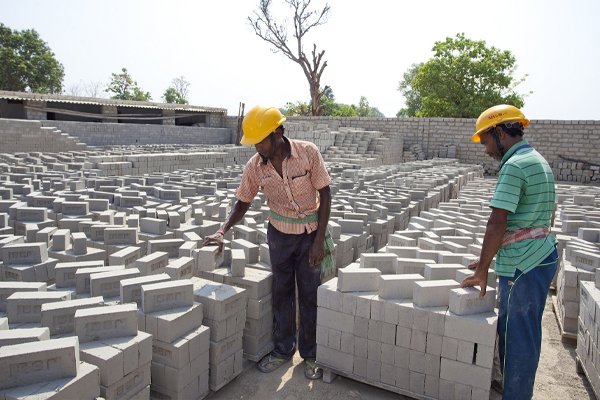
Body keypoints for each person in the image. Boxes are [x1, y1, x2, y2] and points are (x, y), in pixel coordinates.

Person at [202, 105, 333, 380]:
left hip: (309, 234)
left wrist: (319, 240)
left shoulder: (308, 153)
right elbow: (242, 202)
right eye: (254, 142)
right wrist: (222, 230)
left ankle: (311, 355)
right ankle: (283, 349)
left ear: (278, 133)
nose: (257, 147)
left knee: (309, 294)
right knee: (282, 293)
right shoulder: (255, 166)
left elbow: (325, 193)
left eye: (261, 140)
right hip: (279, 236)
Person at [461, 104, 558, 399]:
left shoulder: (514, 166)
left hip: (524, 263)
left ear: (500, 132)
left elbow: (497, 222)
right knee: (523, 332)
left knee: (517, 341)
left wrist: (482, 271)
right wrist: (485, 258)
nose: (486, 150)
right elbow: (528, 219)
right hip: (540, 255)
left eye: (486, 142)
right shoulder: (536, 159)